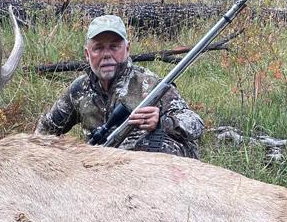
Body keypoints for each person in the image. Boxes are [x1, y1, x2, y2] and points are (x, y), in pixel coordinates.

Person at [36, 15, 204, 159]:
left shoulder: (151, 85)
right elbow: (44, 131)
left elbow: (195, 125)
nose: (107, 54)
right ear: (87, 54)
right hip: (103, 167)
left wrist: (161, 122)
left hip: (153, 171)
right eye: (98, 48)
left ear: (127, 49)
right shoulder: (79, 90)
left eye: (114, 47)